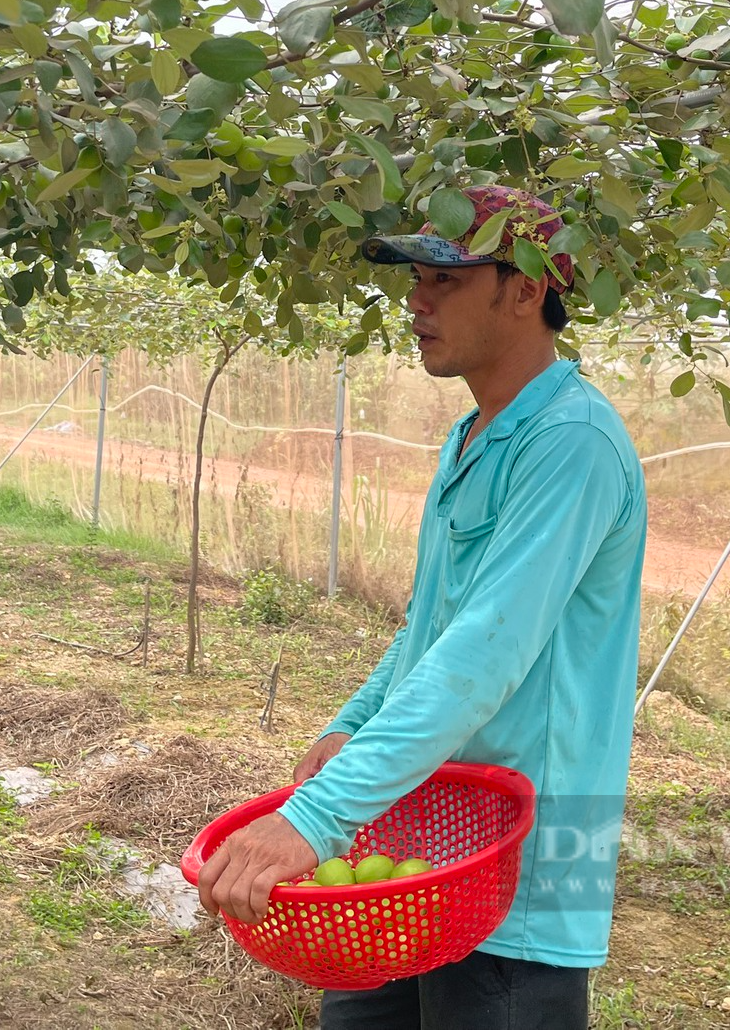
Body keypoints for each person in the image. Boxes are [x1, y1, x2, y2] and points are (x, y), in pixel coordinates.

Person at [196, 186, 648, 1029]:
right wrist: (354, 723)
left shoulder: (573, 444)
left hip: (518, 879)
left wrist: (316, 819)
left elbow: (485, 651)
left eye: (445, 277)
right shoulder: (476, 434)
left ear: (525, 288)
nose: (418, 299)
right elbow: (431, 627)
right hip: (418, 848)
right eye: (416, 277)